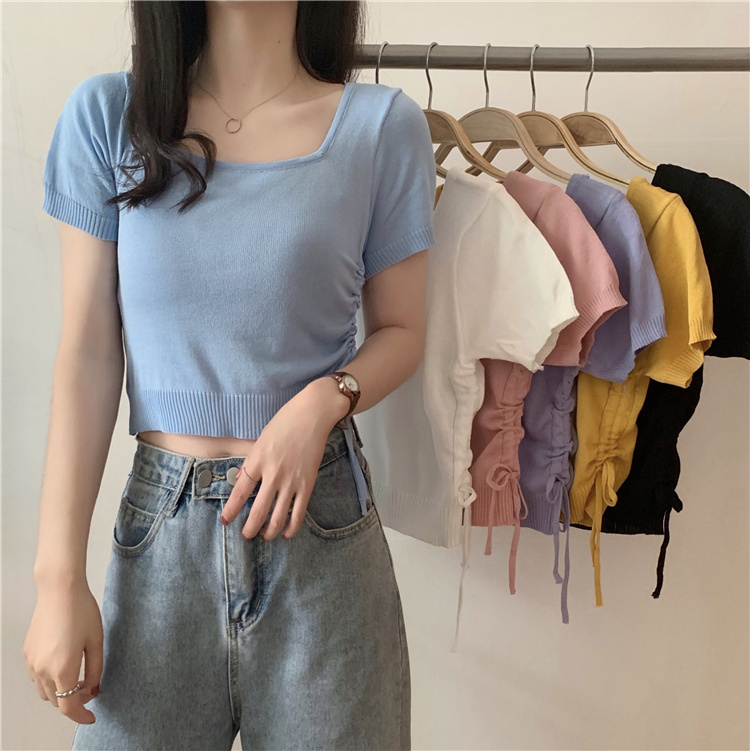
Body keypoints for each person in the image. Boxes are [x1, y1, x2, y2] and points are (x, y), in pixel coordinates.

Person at [23, 1, 437, 749]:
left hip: (321, 529)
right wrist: (57, 578)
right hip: (160, 540)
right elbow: (87, 352)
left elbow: (403, 332)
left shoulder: (382, 127)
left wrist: (323, 401)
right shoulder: (108, 117)